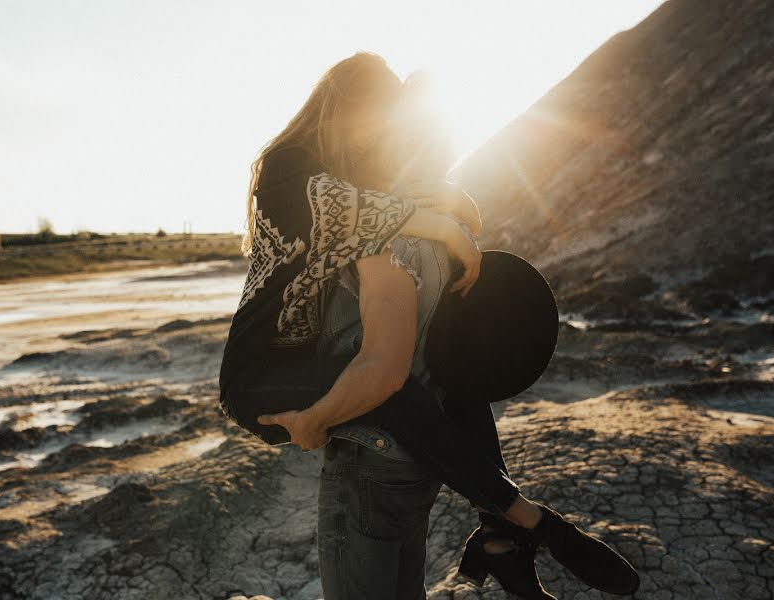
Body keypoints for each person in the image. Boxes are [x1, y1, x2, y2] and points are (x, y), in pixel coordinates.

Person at [218, 51, 640, 599]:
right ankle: (525, 520)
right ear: (348, 112)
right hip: (259, 373)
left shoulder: (371, 204)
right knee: (395, 393)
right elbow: (344, 207)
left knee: (451, 372)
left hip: (332, 389)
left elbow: (387, 207)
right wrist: (439, 216)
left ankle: (505, 532)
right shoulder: (288, 165)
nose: (378, 145)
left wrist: (445, 206)